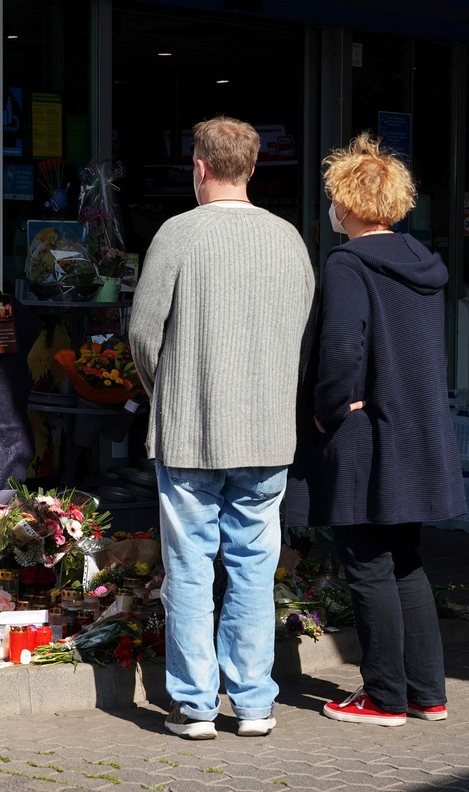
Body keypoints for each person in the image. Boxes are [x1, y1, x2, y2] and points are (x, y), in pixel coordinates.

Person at [130, 116, 315, 740]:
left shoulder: (178, 234)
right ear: (253, 168)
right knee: (254, 570)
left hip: (191, 431)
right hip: (266, 431)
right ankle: (256, 703)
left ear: (200, 167)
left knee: (189, 568)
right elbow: (302, 335)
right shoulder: (289, 238)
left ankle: (195, 706)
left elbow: (142, 336)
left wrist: (168, 392)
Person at [285, 132, 465, 727]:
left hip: (366, 433)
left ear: (352, 205)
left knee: (365, 561)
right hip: (417, 430)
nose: (332, 210)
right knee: (405, 559)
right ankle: (427, 693)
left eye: (336, 199)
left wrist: (328, 409)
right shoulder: (423, 266)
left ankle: (384, 697)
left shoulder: (347, 264)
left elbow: (341, 346)